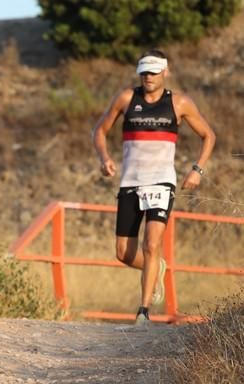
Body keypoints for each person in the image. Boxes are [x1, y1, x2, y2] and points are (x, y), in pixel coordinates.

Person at [92, 49, 215, 324]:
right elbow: (99, 130)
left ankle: (143, 312)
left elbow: (209, 135)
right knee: (123, 253)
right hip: (130, 182)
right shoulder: (126, 98)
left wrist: (197, 170)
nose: (148, 76)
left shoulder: (180, 103)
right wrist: (104, 158)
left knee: (151, 243)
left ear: (165, 73)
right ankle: (157, 267)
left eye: (154, 71)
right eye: (144, 71)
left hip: (161, 181)